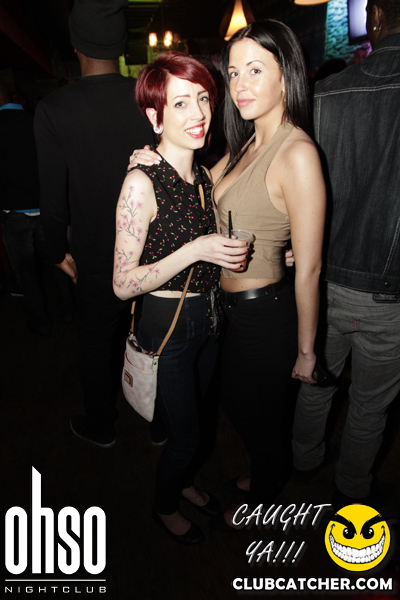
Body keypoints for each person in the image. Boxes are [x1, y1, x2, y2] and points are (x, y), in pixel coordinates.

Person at [113, 52, 248, 544]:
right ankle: (164, 506)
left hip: (208, 323)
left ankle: (184, 482)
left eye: (204, 99)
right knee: (187, 436)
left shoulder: (203, 177)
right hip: (167, 330)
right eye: (181, 103)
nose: (198, 114)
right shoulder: (140, 182)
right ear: (155, 116)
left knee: (194, 425)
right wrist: (196, 250)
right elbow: (121, 283)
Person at [208, 19, 326, 529]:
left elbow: (310, 266)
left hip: (267, 318)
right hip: (233, 312)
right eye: (234, 73)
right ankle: (264, 474)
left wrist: (306, 351)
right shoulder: (246, 144)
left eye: (255, 70)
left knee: (256, 420)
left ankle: (266, 499)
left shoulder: (296, 153)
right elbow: (196, 184)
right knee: (237, 406)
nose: (240, 85)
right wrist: (153, 158)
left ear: (286, 75)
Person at [291, 0, 400, 510]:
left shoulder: (326, 93)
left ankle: (303, 459)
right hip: (389, 291)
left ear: (374, 16)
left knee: (315, 382)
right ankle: (351, 488)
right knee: (370, 406)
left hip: (323, 279)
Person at [34, 0, 152, 448]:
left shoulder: (54, 109)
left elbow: (53, 199)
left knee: (96, 343)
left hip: (96, 255)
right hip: (156, 251)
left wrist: (55, 251)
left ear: (76, 43)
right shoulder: (149, 97)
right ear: (121, 44)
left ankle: (102, 424)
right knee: (157, 339)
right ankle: (163, 422)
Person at [0, 79, 74, 335]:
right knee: (57, 263)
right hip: (46, 209)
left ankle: (40, 322)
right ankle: (68, 311)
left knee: (26, 274)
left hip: (13, 212)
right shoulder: (36, 120)